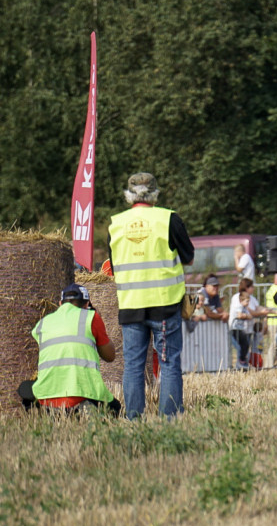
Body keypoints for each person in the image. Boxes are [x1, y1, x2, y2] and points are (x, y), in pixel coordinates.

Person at [108, 172, 193, 419]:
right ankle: (170, 418)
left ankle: (133, 418)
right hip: (165, 304)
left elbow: (115, 267)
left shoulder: (116, 224)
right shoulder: (168, 219)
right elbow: (189, 258)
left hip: (131, 306)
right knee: (168, 363)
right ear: (155, 193)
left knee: (133, 366)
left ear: (129, 194)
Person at [18, 284, 121, 415]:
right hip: (81, 394)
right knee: (116, 409)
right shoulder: (91, 317)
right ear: (87, 304)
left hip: (45, 395)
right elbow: (110, 356)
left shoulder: (43, 323)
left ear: (60, 303)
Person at [229, 278, 269, 371]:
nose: (253, 288)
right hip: (237, 328)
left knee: (246, 348)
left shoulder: (252, 298)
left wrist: (268, 311)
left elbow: (256, 308)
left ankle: (244, 367)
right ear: (246, 287)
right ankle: (240, 367)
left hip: (248, 329)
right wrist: (258, 314)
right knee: (242, 348)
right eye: (251, 286)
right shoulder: (237, 297)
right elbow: (251, 312)